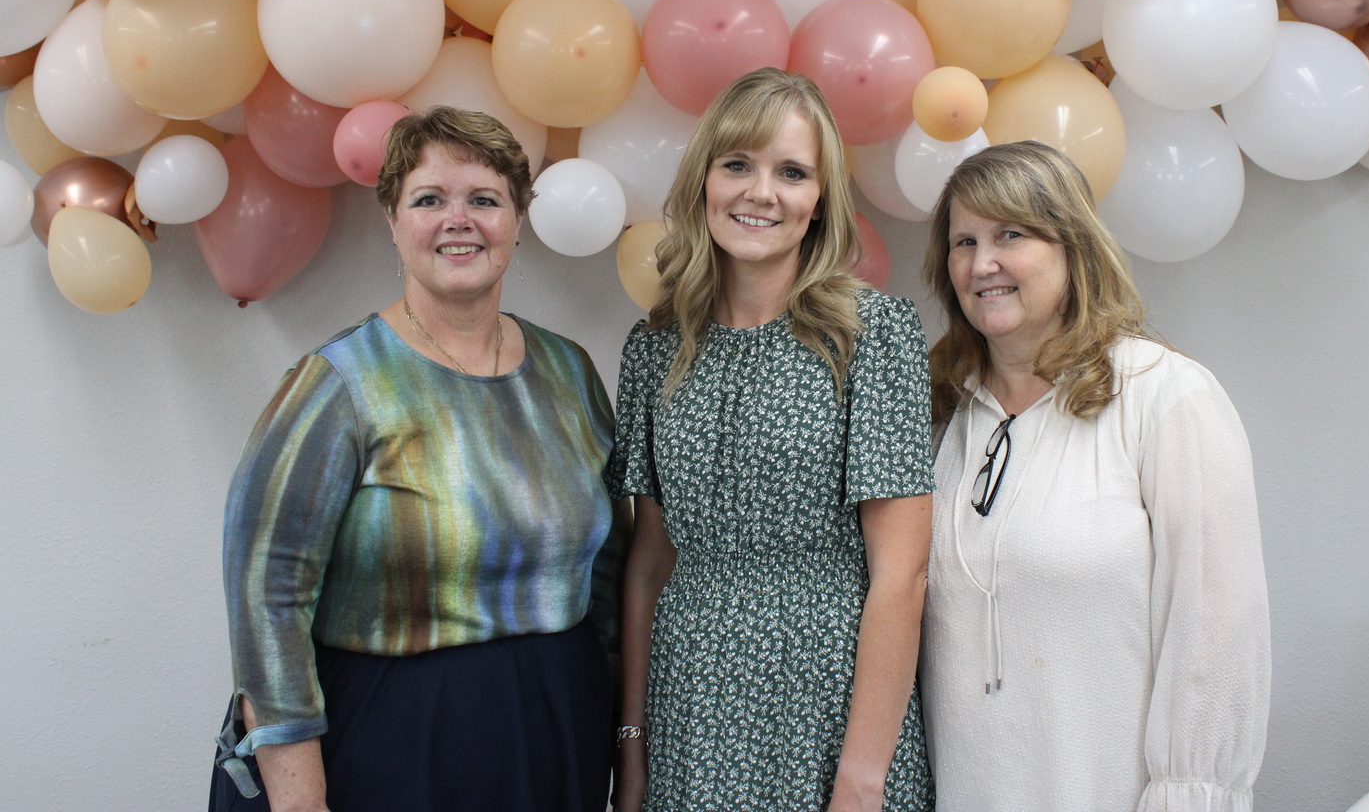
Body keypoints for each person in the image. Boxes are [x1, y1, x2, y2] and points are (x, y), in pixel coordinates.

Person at [210, 105, 627, 812]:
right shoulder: (339, 383)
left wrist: (623, 733)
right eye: (430, 199)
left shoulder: (569, 370)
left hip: (560, 726)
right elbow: (266, 594)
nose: (457, 220)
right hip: (392, 738)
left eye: (484, 200)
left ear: (517, 221)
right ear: (393, 221)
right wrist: (298, 797)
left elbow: (612, 564)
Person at [608, 68, 936, 812]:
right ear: (704, 180)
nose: (761, 192)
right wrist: (632, 748)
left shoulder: (872, 335)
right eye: (738, 165)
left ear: (820, 202)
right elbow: (648, 566)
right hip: (686, 705)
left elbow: (902, 575)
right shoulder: (653, 347)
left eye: (791, 172)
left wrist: (861, 776)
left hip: (826, 700)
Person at [919, 141, 1271, 812]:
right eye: (963, 242)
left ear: (1072, 247)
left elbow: (1218, 637)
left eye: (1010, 235)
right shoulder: (943, 415)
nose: (981, 263)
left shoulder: (1164, 396)